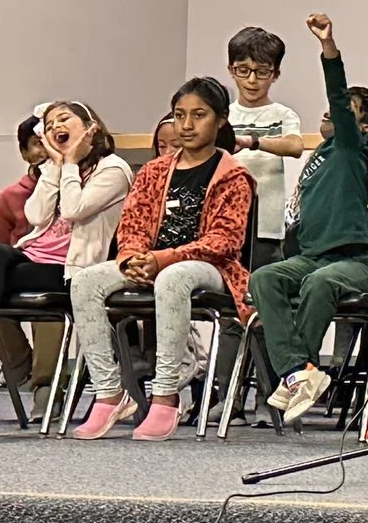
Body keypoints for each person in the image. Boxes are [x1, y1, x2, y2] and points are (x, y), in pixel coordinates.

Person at [0, 100, 129, 432]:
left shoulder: (113, 169)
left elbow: (75, 209)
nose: (55, 128)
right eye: (48, 125)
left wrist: (71, 162)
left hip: (73, 270)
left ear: (92, 128)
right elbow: (36, 217)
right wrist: (56, 166)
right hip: (35, 258)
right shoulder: (54, 167)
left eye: (64, 120)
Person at [69, 77, 253, 442]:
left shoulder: (234, 176)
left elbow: (224, 241)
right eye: (180, 115)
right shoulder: (154, 172)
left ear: (220, 120)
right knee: (85, 281)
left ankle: (165, 395)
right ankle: (109, 392)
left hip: (211, 268)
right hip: (153, 261)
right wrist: (131, 258)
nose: (186, 124)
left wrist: (162, 259)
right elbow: (132, 223)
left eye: (198, 115)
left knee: (174, 278)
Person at [247, 15, 368, 428]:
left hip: (352, 262)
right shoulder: (323, 154)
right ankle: (300, 372)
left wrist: (329, 49)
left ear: (362, 128)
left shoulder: (351, 149)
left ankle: (298, 370)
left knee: (320, 284)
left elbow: (338, 91)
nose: (331, 113)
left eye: (344, 112)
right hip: (312, 257)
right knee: (265, 279)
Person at [225, 26, 301, 270]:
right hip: (225, 221)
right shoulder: (223, 114)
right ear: (231, 70)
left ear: (275, 74)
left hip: (267, 226)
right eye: (243, 71)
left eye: (261, 72)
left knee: (260, 285)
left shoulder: (283, 115)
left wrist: (252, 141)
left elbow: (295, 146)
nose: (252, 80)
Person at [0, 115, 47, 245]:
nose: (47, 150)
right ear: (24, 152)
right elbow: (2, 246)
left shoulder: (75, 188)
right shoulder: (9, 196)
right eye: (38, 143)